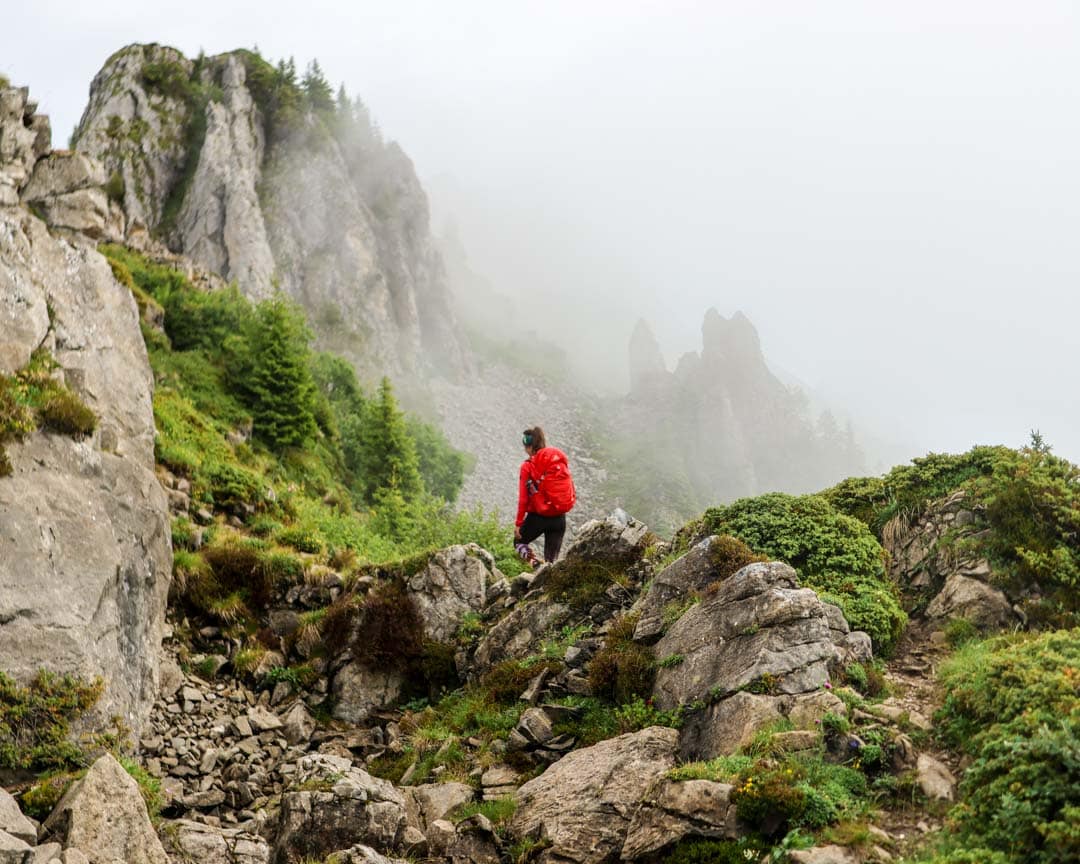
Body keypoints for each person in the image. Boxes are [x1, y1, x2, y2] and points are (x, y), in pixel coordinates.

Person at [514, 426, 572, 568]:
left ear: (529, 446)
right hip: (559, 517)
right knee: (551, 562)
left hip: (538, 517)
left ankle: (535, 564)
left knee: (518, 543)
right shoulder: (555, 461)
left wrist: (518, 523)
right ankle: (547, 579)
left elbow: (523, 499)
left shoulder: (527, 466)